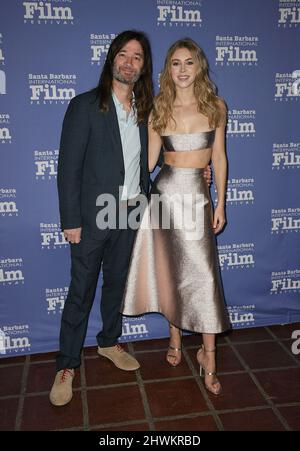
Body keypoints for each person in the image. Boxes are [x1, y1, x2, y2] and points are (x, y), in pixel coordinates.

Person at [49, 30, 154, 406]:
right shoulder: (85, 105)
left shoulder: (145, 111)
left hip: (129, 215)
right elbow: (68, 170)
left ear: (144, 67)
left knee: (116, 286)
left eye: (137, 57)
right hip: (92, 219)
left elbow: (149, 164)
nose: (129, 62)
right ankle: (66, 365)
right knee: (81, 292)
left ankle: (109, 343)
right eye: (123, 55)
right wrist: (70, 220)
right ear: (111, 60)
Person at [121, 38, 231, 396]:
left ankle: (208, 356)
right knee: (171, 271)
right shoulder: (158, 109)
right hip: (165, 197)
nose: (182, 70)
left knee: (202, 277)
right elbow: (150, 164)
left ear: (199, 67)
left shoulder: (216, 106)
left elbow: (219, 158)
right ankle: (175, 339)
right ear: (167, 70)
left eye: (188, 63)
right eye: (175, 64)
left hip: (198, 199)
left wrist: (221, 203)